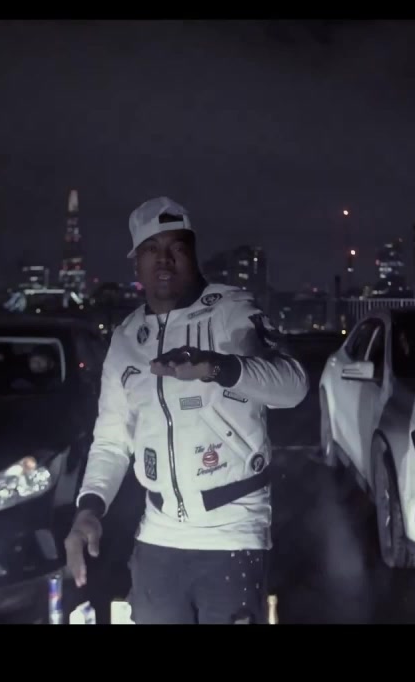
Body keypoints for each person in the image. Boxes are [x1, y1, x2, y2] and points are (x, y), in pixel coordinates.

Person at [64, 196, 309, 624]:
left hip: (233, 533)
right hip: (157, 537)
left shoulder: (232, 312)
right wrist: (89, 508)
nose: (164, 259)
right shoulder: (126, 338)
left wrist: (218, 367)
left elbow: (293, 386)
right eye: (151, 249)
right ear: (136, 263)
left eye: (176, 247)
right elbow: (112, 439)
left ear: (193, 254)